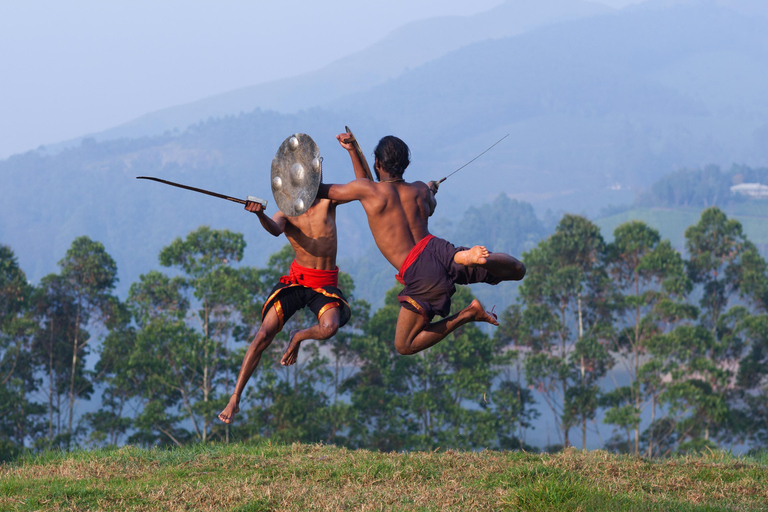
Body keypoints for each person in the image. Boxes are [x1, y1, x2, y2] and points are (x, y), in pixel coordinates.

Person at [319, 133, 526, 356]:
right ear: (406, 164)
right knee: (517, 271)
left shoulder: (369, 192)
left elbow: (320, 191)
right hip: (439, 249)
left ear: (378, 163)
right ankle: (479, 258)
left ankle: (468, 314)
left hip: (420, 270)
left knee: (404, 344)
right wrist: (430, 190)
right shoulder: (420, 191)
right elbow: (429, 204)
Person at [218, 194, 351, 424]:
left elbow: (365, 185)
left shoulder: (330, 201)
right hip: (297, 282)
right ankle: (235, 398)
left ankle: (297, 336)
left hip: (324, 285)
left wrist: (352, 154)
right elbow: (275, 229)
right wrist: (260, 213)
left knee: (330, 327)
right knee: (263, 334)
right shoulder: (286, 212)